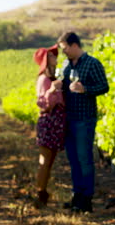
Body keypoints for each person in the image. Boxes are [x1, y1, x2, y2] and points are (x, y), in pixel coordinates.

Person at [55, 32, 109, 213]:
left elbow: (104, 87)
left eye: (65, 49)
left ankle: (87, 199)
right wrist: (58, 86)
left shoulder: (93, 63)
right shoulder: (66, 66)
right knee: (73, 159)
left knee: (85, 159)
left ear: (74, 45)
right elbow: (64, 85)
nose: (63, 53)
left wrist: (85, 89)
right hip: (68, 119)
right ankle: (77, 195)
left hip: (85, 119)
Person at [33, 45, 66, 208]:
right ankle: (40, 194)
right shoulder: (44, 80)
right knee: (45, 160)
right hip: (48, 123)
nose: (56, 57)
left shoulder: (53, 77)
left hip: (56, 123)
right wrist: (52, 91)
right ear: (46, 60)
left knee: (50, 161)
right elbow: (42, 104)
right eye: (52, 56)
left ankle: (43, 193)